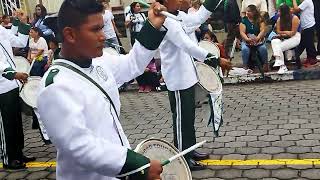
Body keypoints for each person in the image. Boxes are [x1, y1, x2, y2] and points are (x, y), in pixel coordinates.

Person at [36, 0, 167, 179]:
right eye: (95, 29)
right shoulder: (55, 86)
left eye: (102, 27)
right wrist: (139, 166)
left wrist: (151, 26)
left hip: (117, 171)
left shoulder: (100, 61)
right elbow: (80, 146)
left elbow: (133, 64)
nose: (103, 36)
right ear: (70, 35)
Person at [156, 0, 232, 171]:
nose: (182, 0)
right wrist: (216, 60)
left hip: (188, 75)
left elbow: (198, 18)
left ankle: (190, 150)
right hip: (177, 79)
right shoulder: (166, 21)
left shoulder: (178, 16)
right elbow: (187, 45)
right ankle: (183, 157)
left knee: (188, 118)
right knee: (182, 120)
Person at [0, 9, 36, 170]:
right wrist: (13, 73)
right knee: (6, 124)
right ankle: (9, 158)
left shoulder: (1, 30)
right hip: (2, 85)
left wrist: (20, 22)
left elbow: (20, 42)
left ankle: (18, 153)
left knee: (16, 123)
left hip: (12, 84)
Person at [271, 3, 301, 73]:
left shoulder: (294, 18)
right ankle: (282, 65)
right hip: (284, 37)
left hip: (295, 37)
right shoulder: (279, 19)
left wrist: (283, 32)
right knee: (274, 41)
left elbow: (293, 33)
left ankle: (279, 61)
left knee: (279, 47)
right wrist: (285, 33)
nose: (278, 12)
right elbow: (278, 31)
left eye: (279, 11)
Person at [240, 5, 268, 71]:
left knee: (263, 49)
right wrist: (247, 39)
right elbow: (242, 32)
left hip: (258, 40)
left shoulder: (260, 19)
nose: (247, 12)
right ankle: (245, 65)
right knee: (245, 49)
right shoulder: (244, 20)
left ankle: (265, 64)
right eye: (246, 11)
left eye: (249, 11)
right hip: (247, 40)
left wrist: (258, 37)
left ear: (254, 12)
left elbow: (262, 30)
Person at [292, 0, 318, 66]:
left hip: (309, 25)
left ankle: (312, 58)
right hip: (305, 26)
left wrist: (294, 0)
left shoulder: (307, 1)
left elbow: (296, 9)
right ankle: (309, 58)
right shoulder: (304, 2)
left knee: (309, 43)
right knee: (306, 42)